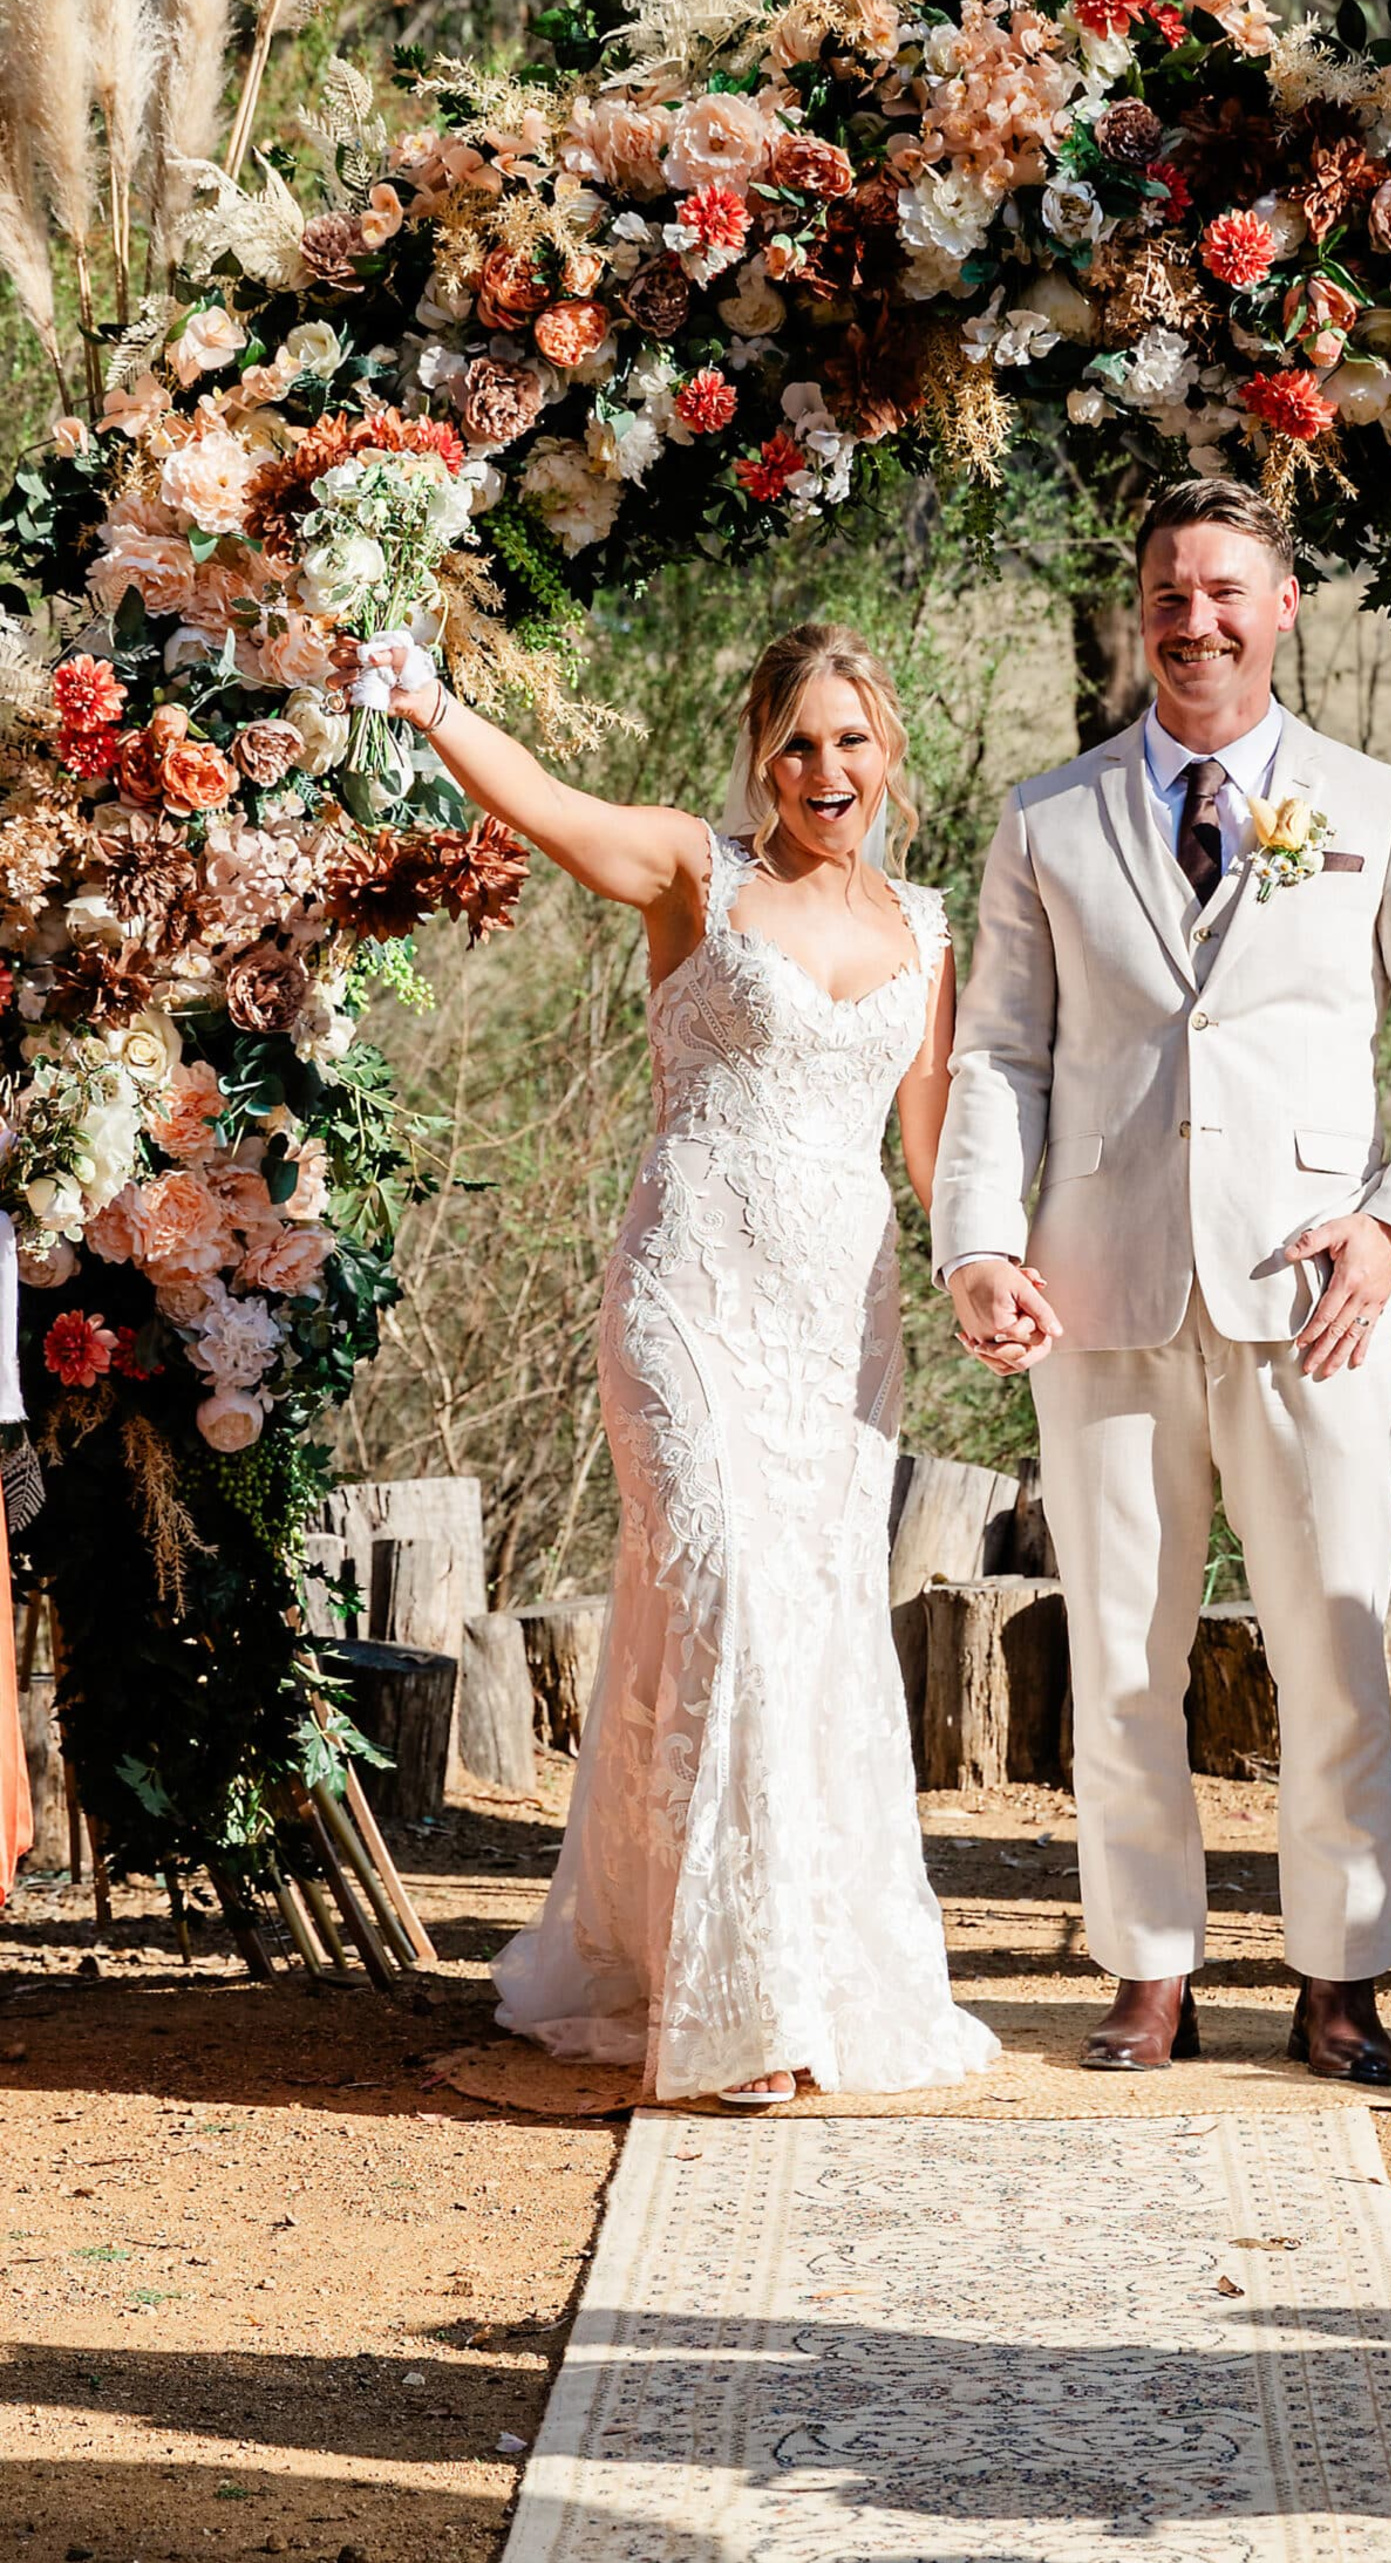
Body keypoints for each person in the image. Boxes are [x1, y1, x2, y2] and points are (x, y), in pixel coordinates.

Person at [345, 619, 998, 2108]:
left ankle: (783, 1967)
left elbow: (933, 1141)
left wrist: (991, 1270)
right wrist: (431, 696)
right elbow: (549, 805)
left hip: (840, 1327)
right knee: (725, 1601)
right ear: (759, 755)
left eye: (850, 740)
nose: (824, 770)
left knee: (815, 1623)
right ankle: (739, 2010)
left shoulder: (929, 926)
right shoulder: (698, 876)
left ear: (890, 748)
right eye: (796, 743)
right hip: (689, 1298)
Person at [932, 478, 1391, 2082]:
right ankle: (1148, 1969)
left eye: (1224, 592)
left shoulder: (1378, 806)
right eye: (1168, 592)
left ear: (1283, 609)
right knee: (1122, 1647)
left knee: (1329, 1644)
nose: (1193, 620)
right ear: (1143, 610)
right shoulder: (1047, 821)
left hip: (1315, 1302)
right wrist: (980, 1242)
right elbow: (996, 1055)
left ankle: (1340, 1974)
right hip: (1101, 1296)